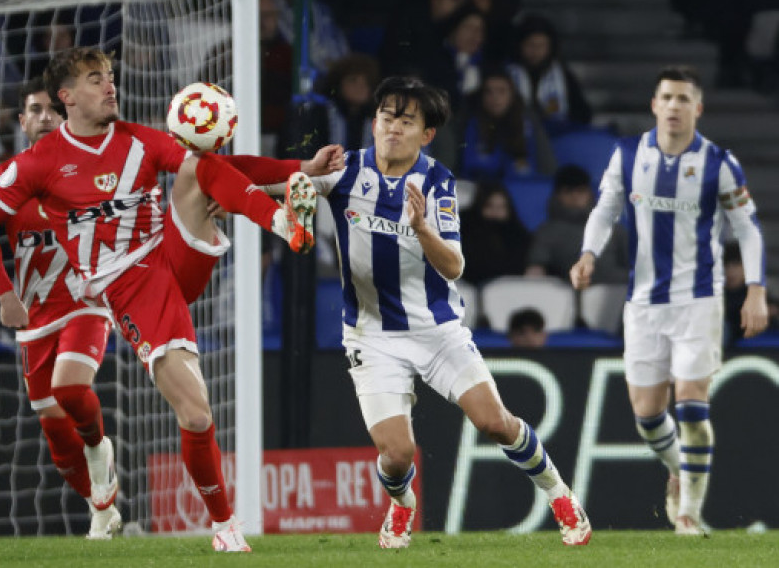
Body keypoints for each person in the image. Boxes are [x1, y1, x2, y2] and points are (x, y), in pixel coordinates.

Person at [0, 47, 343, 552]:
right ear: (67, 97)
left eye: (110, 77)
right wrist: (5, 294)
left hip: (168, 254)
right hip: (129, 290)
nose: (110, 87)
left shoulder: (139, 140)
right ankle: (224, 525)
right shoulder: (36, 165)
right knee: (196, 414)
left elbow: (225, 165)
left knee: (196, 166)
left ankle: (280, 222)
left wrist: (303, 167)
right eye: (95, 79)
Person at [305, 76, 591, 549]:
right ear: (374, 121)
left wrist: (420, 229)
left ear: (427, 133)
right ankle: (401, 503)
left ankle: (559, 493)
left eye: (406, 120)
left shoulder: (436, 182)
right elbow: (282, 183)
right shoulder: (342, 171)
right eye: (386, 117)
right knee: (396, 457)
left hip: (437, 331)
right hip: (371, 335)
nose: (393, 127)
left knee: (494, 422)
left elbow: (454, 265)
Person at [569, 66, 768, 535]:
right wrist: (587, 254)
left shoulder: (720, 163)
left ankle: (688, 514)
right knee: (647, 416)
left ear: (697, 108)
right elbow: (605, 208)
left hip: (699, 300)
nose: (674, 106)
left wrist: (757, 289)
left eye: (683, 99)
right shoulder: (627, 155)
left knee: (693, 407)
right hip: (643, 304)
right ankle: (679, 467)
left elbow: (748, 229)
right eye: (667, 98)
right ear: (654, 105)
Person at [0, 77, 122, 540]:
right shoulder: (8, 179)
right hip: (34, 316)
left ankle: (99, 450)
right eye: (36, 110)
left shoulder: (96, 167)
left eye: (53, 108)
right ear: (22, 121)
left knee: (71, 392)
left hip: (87, 304)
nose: (46, 117)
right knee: (56, 438)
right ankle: (101, 505)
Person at [526, 165, 628, 284]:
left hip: (615, 293)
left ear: (589, 193)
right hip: (567, 295)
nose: (575, 196)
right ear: (557, 196)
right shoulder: (547, 233)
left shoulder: (613, 228)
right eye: (568, 191)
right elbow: (536, 269)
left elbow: (633, 266)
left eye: (580, 191)